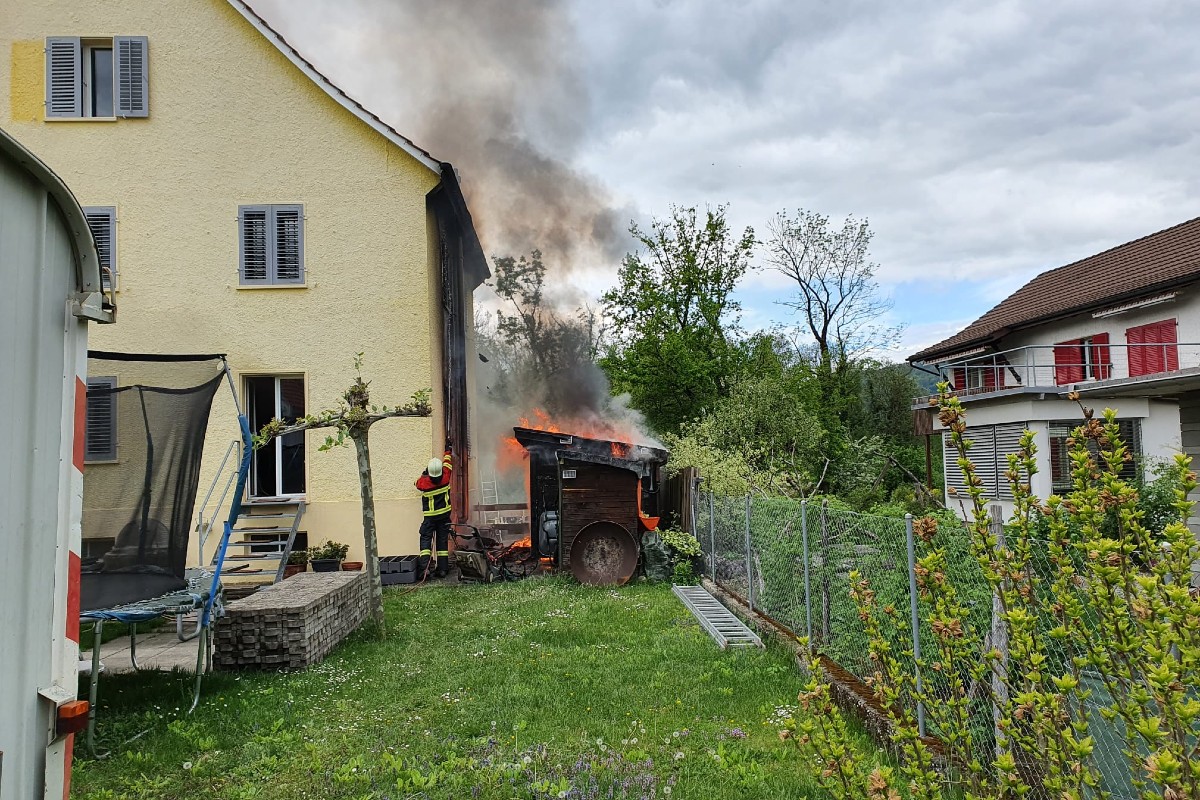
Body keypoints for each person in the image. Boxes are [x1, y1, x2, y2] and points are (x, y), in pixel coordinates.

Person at [415, 442, 454, 578]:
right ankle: (442, 570)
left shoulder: (424, 483)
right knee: (442, 542)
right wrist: (447, 451)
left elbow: (416, 483)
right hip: (444, 517)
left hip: (430, 518)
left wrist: (424, 473)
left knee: (426, 542)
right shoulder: (445, 478)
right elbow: (447, 465)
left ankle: (424, 570)